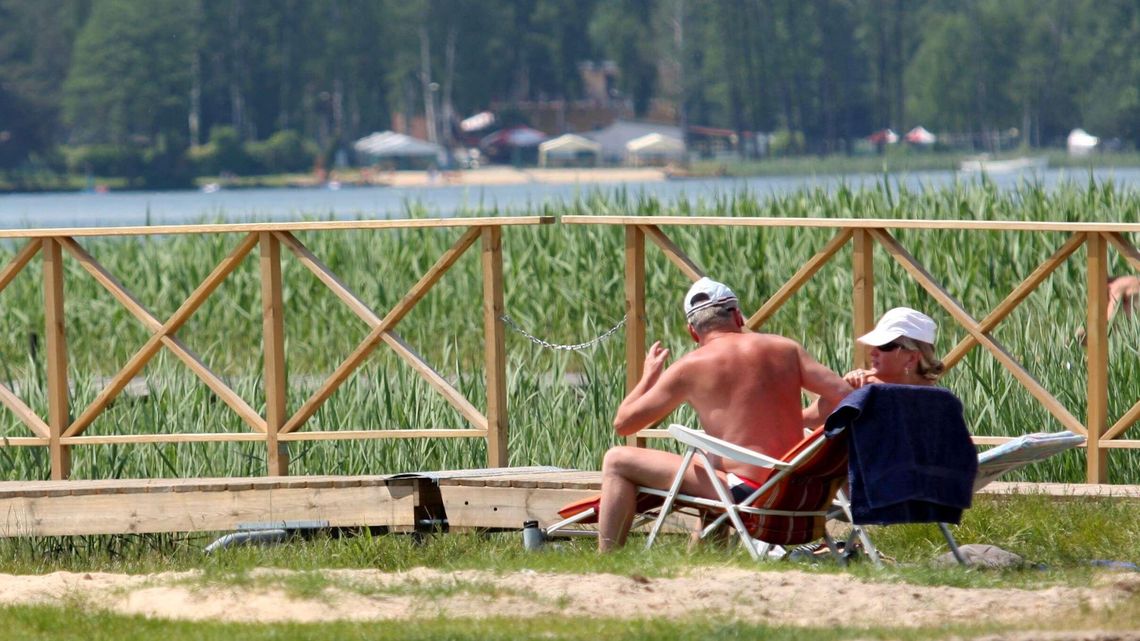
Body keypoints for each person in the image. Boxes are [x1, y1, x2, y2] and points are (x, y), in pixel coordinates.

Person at [597, 277, 853, 552]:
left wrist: (648, 377)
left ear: (693, 332)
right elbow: (847, 397)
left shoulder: (689, 367)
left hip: (750, 494)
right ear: (737, 315)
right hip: (797, 491)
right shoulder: (786, 349)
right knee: (711, 459)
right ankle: (706, 557)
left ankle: (607, 558)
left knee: (617, 459)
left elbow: (624, 423)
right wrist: (797, 417)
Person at [802, 307, 945, 425]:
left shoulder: (936, 403)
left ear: (912, 358)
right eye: (874, 345)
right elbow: (808, 420)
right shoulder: (862, 386)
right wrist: (842, 390)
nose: (872, 352)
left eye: (884, 346)